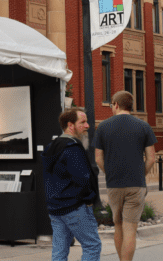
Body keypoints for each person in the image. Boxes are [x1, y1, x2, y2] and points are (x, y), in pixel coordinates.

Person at [94, 91, 156, 261]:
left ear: (115, 104)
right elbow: (151, 158)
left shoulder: (103, 127)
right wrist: (140, 174)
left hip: (114, 185)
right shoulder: (143, 126)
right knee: (130, 229)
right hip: (136, 184)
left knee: (118, 226)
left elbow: (98, 158)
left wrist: (110, 172)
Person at [42, 107, 101, 261]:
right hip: (74, 207)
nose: (87, 125)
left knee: (59, 250)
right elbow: (83, 179)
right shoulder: (73, 148)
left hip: (55, 208)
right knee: (92, 245)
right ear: (70, 125)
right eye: (83, 122)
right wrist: (90, 199)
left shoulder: (51, 147)